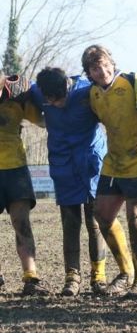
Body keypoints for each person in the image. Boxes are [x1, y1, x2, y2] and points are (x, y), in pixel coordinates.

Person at [82, 45, 137, 299]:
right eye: (95, 67)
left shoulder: (134, 83)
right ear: (89, 72)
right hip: (114, 161)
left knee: (136, 216)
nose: (102, 70)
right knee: (101, 214)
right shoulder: (93, 94)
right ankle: (125, 271)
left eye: (105, 64)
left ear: (112, 63)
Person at [29, 67, 115, 296]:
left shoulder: (87, 91)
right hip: (63, 165)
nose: (54, 104)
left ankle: (99, 276)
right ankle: (72, 277)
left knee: (95, 222)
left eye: (58, 99)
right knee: (70, 222)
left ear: (67, 87)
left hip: (91, 164)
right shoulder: (38, 92)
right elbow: (14, 87)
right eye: (49, 101)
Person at [0, 68, 49, 296]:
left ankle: (31, 277)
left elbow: (43, 120)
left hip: (15, 169)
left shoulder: (17, 97)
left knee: (22, 223)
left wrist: (37, 94)